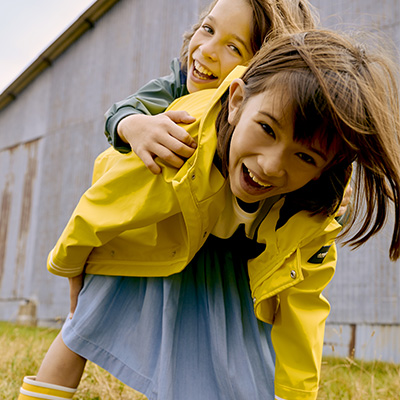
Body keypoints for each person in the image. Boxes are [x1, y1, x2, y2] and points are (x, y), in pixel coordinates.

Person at [18, 29, 400, 400]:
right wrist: (71, 264)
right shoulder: (182, 141)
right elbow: (106, 201)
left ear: (324, 168)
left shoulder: (313, 210)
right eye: (267, 129)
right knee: (86, 314)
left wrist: (297, 393)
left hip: (228, 262)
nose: (270, 165)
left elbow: (304, 302)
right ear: (236, 101)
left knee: (235, 366)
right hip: (153, 234)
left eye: (304, 157)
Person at [104, 0, 318, 174]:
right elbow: (123, 111)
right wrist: (133, 125)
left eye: (233, 48)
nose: (207, 49)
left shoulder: (267, 119)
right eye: (208, 29)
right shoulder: (177, 85)